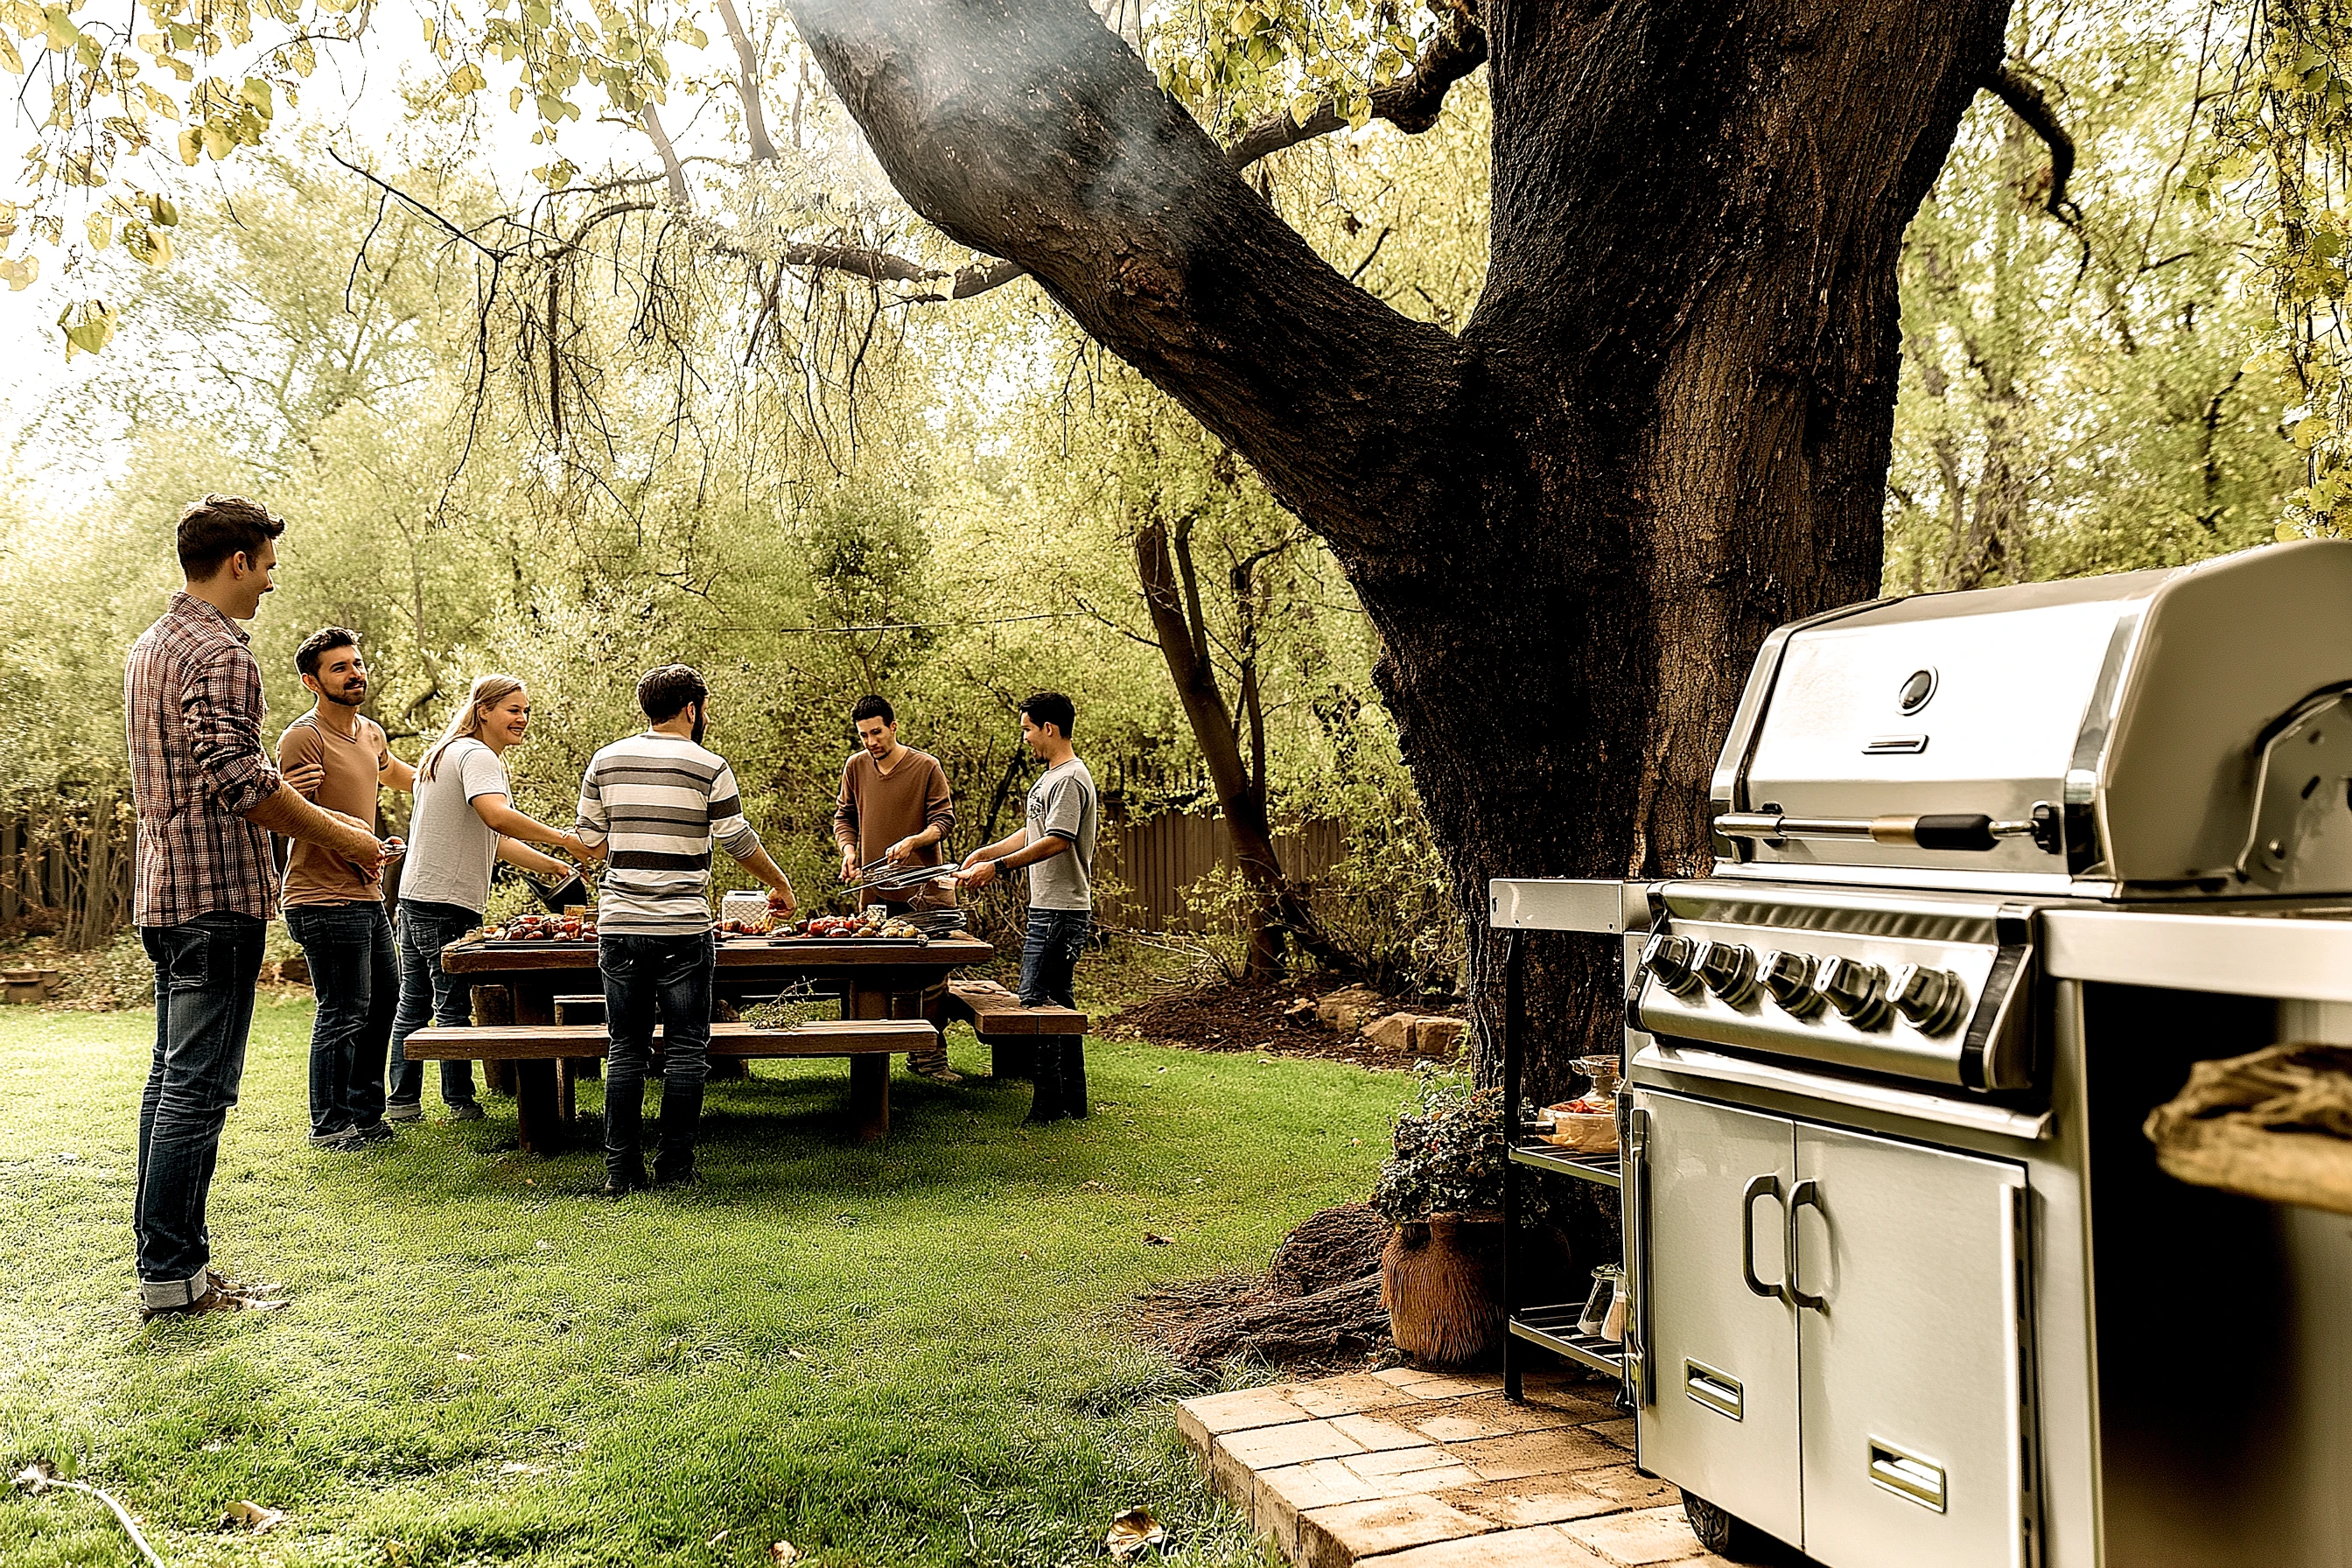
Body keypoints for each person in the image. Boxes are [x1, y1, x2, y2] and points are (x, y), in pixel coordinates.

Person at [126, 494, 392, 1321]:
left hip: (165, 895)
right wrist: (348, 835)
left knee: (171, 1084)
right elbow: (241, 782)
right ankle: (173, 1279)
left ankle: (174, 1270)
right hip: (213, 901)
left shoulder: (151, 645)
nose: (271, 582)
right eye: (268, 564)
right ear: (238, 561)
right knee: (197, 1091)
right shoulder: (222, 654)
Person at [576, 665, 797, 1194]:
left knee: (625, 1048)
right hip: (683, 927)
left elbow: (589, 842)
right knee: (685, 1050)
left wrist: (631, 843)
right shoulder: (710, 766)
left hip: (620, 925)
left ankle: (619, 1174)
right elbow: (736, 838)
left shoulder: (605, 761)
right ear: (693, 709)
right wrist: (779, 883)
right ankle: (674, 1170)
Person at [385, 675, 593, 1123]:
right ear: (484, 710)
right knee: (451, 1006)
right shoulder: (478, 756)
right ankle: (460, 1104)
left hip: (416, 895)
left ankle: (402, 1101)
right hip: (445, 901)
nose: (522, 719)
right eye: (513, 710)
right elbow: (498, 817)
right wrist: (567, 841)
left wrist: (552, 864)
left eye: (526, 711)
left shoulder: (444, 754)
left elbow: (490, 838)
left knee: (415, 1001)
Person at [277, 627, 417, 1151]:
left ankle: (365, 1114)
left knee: (384, 1001)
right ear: (313, 681)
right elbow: (294, 814)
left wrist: (462, 760)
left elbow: (407, 776)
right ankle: (330, 1124)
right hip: (319, 896)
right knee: (343, 1009)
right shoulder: (302, 738)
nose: (354, 673)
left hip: (365, 894)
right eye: (339, 667)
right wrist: (364, 838)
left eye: (356, 663)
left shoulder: (372, 734)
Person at [956, 691, 1098, 1124]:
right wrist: (986, 852)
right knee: (1061, 1007)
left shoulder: (1071, 778)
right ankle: (1072, 1102)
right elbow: (1033, 830)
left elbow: (1058, 840)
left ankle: (1047, 1108)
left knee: (1036, 1005)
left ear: (1048, 729)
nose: (1026, 739)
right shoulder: (1053, 777)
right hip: (1050, 907)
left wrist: (997, 868)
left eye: (1027, 729)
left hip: (1059, 910)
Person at [831, 693, 961, 1082]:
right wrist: (849, 850)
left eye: (876, 732)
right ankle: (878, 1057)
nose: (871, 742)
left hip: (924, 890)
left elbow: (944, 820)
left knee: (930, 976)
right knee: (876, 973)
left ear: (893, 727)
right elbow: (844, 816)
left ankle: (931, 1058)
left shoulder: (926, 767)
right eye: (863, 735)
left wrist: (914, 842)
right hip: (873, 891)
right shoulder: (855, 767)